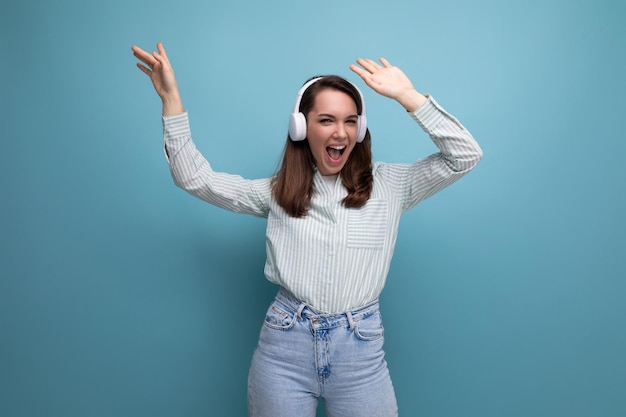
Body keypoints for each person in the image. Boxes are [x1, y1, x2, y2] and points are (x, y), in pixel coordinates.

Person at [131, 42, 482, 417]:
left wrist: (408, 96)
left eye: (351, 121)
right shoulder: (277, 192)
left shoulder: (391, 186)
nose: (341, 132)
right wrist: (171, 100)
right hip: (284, 349)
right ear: (301, 127)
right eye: (327, 120)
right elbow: (194, 178)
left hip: (360, 352)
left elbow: (464, 155)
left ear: (361, 129)